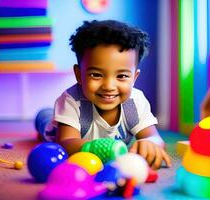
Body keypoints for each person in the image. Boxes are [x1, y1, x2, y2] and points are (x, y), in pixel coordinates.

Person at [36, 20, 171, 169]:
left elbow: (155, 138)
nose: (108, 86)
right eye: (96, 74)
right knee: (44, 120)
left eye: (121, 76)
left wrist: (150, 143)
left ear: (134, 78)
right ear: (79, 75)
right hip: (55, 129)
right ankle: (42, 115)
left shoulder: (134, 103)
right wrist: (99, 149)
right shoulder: (73, 100)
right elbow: (66, 143)